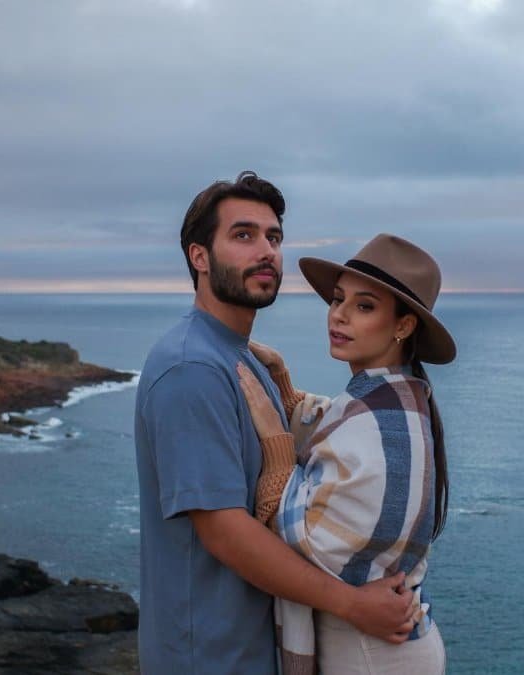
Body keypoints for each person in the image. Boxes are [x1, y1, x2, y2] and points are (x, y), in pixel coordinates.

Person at [133, 173, 416, 674]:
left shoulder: (240, 358)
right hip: (210, 659)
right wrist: (351, 604)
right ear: (200, 256)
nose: (266, 251)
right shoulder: (192, 369)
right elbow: (225, 532)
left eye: (274, 237)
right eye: (243, 236)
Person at [236, 233, 455, 674]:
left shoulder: (386, 425)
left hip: (374, 655)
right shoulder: (384, 401)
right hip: (376, 647)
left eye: (365, 306)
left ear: (404, 326)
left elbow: (308, 543)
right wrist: (281, 386)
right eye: (338, 300)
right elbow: (334, 425)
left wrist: (278, 445)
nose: (339, 315)